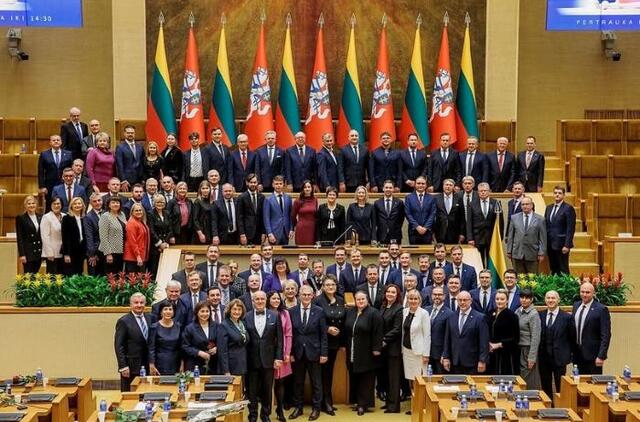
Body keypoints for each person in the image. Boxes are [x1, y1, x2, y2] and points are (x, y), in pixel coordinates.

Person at [289, 285, 328, 421]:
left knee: (316, 383)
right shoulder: (291, 311)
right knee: (298, 382)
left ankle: (316, 408)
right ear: (299, 296)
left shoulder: (319, 311)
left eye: (308, 295)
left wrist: (324, 353)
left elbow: (323, 334)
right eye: (303, 294)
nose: (306, 297)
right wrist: (290, 353)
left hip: (315, 352)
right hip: (297, 353)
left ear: (312, 296)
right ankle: (298, 408)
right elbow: (290, 334)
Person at [245, 291, 284, 422]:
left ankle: (265, 415)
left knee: (267, 390)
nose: (260, 301)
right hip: (251, 360)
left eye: (262, 299)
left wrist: (278, 357)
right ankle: (253, 415)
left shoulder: (275, 315)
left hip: (269, 359)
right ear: (253, 301)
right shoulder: (246, 316)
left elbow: (280, 339)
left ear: (266, 300)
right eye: (257, 299)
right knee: (252, 391)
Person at [343, 290, 382, 416]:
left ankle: (363, 404)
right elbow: (346, 329)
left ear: (367, 300)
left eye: (362, 299)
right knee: (354, 375)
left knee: (366, 378)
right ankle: (356, 401)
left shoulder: (374, 313)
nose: (360, 301)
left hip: (368, 351)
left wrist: (377, 348)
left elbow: (378, 332)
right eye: (358, 299)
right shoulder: (350, 312)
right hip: (352, 350)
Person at [312, 275, 345, 415]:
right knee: (321, 373)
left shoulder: (340, 300)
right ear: (323, 287)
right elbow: (313, 322)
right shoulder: (317, 301)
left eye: (333, 285)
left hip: (335, 343)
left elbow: (343, 319)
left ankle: (327, 401)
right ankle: (324, 402)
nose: (330, 287)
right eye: (327, 285)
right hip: (321, 342)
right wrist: (327, 329)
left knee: (329, 372)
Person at [442, 291, 489, 374]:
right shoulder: (451, 317)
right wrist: (446, 357)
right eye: (460, 300)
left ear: (470, 301)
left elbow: (484, 342)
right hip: (455, 362)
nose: (462, 302)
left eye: (465, 300)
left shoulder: (480, 318)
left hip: (472, 363)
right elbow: (447, 339)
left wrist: (482, 360)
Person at [539, 290, 574, 398]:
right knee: (545, 385)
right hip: (543, 358)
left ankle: (561, 405)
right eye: (548, 298)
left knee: (560, 386)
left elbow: (572, 338)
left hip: (560, 358)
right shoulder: (540, 315)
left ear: (558, 300)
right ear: (545, 300)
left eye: (553, 298)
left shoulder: (567, 317)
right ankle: (548, 405)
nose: (550, 300)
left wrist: (570, 355)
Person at [114, 292, 152, 391]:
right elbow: (119, 346)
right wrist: (123, 366)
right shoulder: (123, 321)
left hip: (148, 365)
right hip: (131, 366)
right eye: (136, 303)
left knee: (147, 392)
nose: (139, 305)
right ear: (131, 304)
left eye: (141, 302)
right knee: (129, 393)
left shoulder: (150, 318)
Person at [572, 282, 611, 375]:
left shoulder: (601, 309)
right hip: (577, 354)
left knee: (593, 381)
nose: (584, 294)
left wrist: (601, 356)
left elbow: (606, 335)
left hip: (593, 356)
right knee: (577, 380)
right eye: (582, 292)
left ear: (593, 293)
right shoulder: (576, 305)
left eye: (587, 292)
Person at [402, 290, 431, 414]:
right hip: (407, 351)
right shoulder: (404, 312)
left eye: (415, 299)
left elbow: (427, 335)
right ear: (407, 300)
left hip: (419, 353)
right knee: (410, 379)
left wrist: (426, 354)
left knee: (419, 380)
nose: (413, 301)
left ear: (419, 300)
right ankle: (414, 405)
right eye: (410, 298)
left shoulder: (424, 313)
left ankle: (420, 406)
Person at [268, 291, 293, 422]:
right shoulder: (265, 312)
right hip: (267, 352)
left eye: (278, 298)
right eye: (273, 298)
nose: (276, 300)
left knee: (280, 383)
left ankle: (280, 410)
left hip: (281, 351)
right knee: (267, 383)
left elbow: (288, 334)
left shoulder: (285, 313)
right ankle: (266, 411)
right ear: (268, 300)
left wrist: (287, 353)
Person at [506, 196, 546, 275]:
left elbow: (543, 238)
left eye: (527, 204)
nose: (525, 206)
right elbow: (510, 236)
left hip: (533, 253)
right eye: (523, 204)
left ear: (532, 205)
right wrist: (509, 251)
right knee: (519, 277)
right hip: (517, 253)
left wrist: (541, 253)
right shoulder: (514, 218)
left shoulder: (540, 219)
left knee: (532, 278)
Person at [379, 284, 403, 413]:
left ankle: (394, 406)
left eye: (393, 292)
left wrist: (384, 339)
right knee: (386, 377)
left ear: (397, 295)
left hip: (393, 348)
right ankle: (388, 402)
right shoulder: (383, 306)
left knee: (394, 378)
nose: (390, 294)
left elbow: (397, 329)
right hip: (383, 349)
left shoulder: (399, 309)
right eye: (388, 291)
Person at [467, 183, 503, 266]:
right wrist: (470, 238)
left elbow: (500, 222)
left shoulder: (496, 203)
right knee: (479, 260)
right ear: (478, 192)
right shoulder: (472, 204)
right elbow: (469, 222)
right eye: (481, 191)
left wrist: (499, 237)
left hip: (492, 237)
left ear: (489, 191)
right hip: (477, 237)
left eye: (485, 191)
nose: (483, 192)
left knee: (491, 261)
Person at [487, 289, 520, 375]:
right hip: (491, 353)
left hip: (506, 355)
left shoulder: (512, 316)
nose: (499, 301)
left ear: (507, 300)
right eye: (497, 299)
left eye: (502, 299)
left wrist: (498, 345)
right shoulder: (491, 313)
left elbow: (516, 338)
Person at [545, 186, 576, 275]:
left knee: (563, 269)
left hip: (562, 244)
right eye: (555, 193)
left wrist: (567, 245)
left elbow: (570, 228)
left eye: (559, 193)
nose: (557, 195)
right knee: (553, 268)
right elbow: (546, 225)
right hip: (550, 243)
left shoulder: (568, 208)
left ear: (564, 195)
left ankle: (565, 284)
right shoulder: (549, 208)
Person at [182, 301, 220, 373]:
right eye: (202, 311)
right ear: (197, 312)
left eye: (207, 311)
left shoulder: (216, 326)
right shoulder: (190, 328)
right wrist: (199, 353)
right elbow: (185, 346)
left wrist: (216, 348)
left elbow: (221, 342)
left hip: (213, 365)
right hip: (195, 365)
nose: (205, 314)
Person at [423, 286, 454, 374]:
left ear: (444, 296)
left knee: (439, 379)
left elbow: (449, 336)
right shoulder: (426, 310)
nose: (437, 296)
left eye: (439, 294)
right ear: (431, 295)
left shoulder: (449, 313)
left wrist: (445, 354)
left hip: (439, 355)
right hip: (426, 353)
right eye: (435, 294)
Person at [516, 288, 542, 389]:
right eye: (522, 297)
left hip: (527, 350)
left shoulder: (533, 314)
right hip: (519, 348)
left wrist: (532, 357)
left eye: (527, 298)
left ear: (531, 300)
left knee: (528, 378)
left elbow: (536, 337)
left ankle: (531, 397)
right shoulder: (518, 311)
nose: (524, 300)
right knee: (520, 378)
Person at [148, 300, 183, 375]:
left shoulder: (178, 326)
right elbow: (151, 348)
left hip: (176, 362)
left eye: (170, 309)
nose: (168, 312)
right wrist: (151, 364)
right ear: (161, 312)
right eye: (165, 309)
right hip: (160, 363)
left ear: (173, 312)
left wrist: (182, 363)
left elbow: (181, 347)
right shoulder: (154, 327)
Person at [38, 135, 73, 206]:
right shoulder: (44, 154)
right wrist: (42, 186)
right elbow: (40, 171)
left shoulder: (68, 154)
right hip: (49, 185)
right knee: (50, 204)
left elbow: (71, 170)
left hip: (64, 183)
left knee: (64, 204)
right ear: (50, 143)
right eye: (54, 140)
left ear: (61, 142)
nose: (56, 141)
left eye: (58, 140)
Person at [218, 299, 249, 376]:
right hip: (231, 366)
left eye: (239, 309)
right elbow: (222, 351)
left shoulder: (242, 323)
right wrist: (226, 370)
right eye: (234, 309)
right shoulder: (224, 325)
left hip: (243, 364)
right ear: (229, 310)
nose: (237, 312)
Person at [147, 194, 174, 277]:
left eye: (162, 202)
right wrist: (160, 243)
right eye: (158, 202)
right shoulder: (150, 214)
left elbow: (170, 229)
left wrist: (165, 242)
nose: (160, 204)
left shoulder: (167, 213)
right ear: (154, 203)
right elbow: (151, 231)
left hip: (165, 245)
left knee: (164, 269)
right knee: (154, 269)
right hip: (155, 246)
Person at [98, 197, 127, 274]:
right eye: (113, 202)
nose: (115, 204)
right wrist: (108, 254)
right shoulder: (105, 216)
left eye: (117, 202)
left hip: (120, 251)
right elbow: (103, 237)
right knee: (111, 276)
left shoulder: (122, 214)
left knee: (119, 275)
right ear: (109, 205)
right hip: (110, 252)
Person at [404, 176, 436, 245]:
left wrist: (425, 227)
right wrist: (417, 226)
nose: (420, 185)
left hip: (427, 231)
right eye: (418, 183)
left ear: (426, 185)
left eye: (423, 183)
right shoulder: (409, 197)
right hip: (414, 231)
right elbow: (408, 213)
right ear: (415, 185)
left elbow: (432, 214)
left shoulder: (431, 198)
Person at [16, 195, 43, 274]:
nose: (31, 205)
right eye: (29, 204)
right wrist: (22, 254)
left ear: (36, 204)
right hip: (28, 252)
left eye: (33, 203)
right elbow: (20, 238)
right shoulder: (21, 218)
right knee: (28, 276)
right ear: (25, 205)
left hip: (38, 251)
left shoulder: (41, 217)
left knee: (36, 275)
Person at [263, 175, 293, 245]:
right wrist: (269, 233)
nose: (278, 186)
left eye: (280, 184)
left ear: (283, 185)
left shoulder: (288, 198)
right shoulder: (268, 199)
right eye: (276, 184)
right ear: (273, 185)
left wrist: (291, 229)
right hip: (274, 232)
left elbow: (291, 215)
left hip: (286, 232)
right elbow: (266, 218)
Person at [237, 173, 266, 246]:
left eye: (255, 182)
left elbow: (263, 216)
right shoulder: (242, 197)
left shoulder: (262, 197)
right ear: (247, 183)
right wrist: (242, 234)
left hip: (259, 233)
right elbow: (239, 217)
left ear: (257, 183)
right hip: (246, 233)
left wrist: (263, 232)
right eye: (251, 182)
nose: (253, 184)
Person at [373, 180, 405, 245]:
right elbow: (375, 219)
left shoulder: (399, 202)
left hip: (395, 235)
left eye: (390, 188)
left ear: (393, 189)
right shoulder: (377, 203)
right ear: (383, 189)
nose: (388, 189)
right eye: (386, 187)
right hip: (381, 235)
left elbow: (401, 218)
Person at [433, 179, 464, 244]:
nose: (448, 187)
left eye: (450, 185)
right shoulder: (436, 198)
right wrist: (432, 233)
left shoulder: (459, 198)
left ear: (453, 187)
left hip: (454, 232)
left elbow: (462, 217)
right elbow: (433, 215)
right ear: (443, 186)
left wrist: (462, 233)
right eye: (446, 185)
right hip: (439, 231)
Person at [61, 197, 86, 276]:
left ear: (82, 205)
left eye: (79, 203)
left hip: (81, 251)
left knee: (79, 273)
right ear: (71, 206)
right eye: (74, 204)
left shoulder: (84, 218)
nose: (77, 205)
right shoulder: (66, 218)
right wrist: (66, 254)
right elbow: (65, 238)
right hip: (71, 252)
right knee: (70, 275)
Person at [115, 125, 145, 191]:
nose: (130, 134)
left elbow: (142, 163)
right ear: (124, 134)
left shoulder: (140, 146)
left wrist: (143, 178)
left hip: (139, 179)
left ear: (134, 133)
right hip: (126, 181)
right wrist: (123, 180)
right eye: (128, 133)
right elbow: (119, 165)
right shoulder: (120, 147)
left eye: (132, 133)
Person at [41, 196, 65, 274]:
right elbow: (45, 236)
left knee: (63, 276)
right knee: (53, 277)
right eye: (54, 204)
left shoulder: (65, 216)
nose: (56, 206)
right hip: (52, 253)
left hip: (63, 252)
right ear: (50, 205)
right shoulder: (46, 217)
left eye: (58, 204)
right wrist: (49, 252)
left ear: (61, 205)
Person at [124, 203, 150, 274]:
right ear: (132, 212)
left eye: (140, 210)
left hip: (142, 256)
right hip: (133, 258)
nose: (139, 212)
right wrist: (138, 256)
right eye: (136, 210)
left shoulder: (140, 222)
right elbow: (132, 241)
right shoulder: (131, 223)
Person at [291, 180, 318, 245]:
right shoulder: (297, 201)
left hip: (312, 228)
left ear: (312, 188)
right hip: (301, 228)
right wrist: (297, 224)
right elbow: (293, 216)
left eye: (309, 187)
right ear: (302, 189)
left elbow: (316, 215)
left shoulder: (315, 200)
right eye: (305, 187)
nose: (307, 189)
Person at [192, 181, 214, 245]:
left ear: (210, 189)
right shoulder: (197, 202)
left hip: (210, 230)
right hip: (201, 231)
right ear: (200, 190)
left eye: (207, 188)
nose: (205, 190)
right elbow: (195, 219)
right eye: (203, 188)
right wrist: (200, 233)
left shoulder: (212, 202)